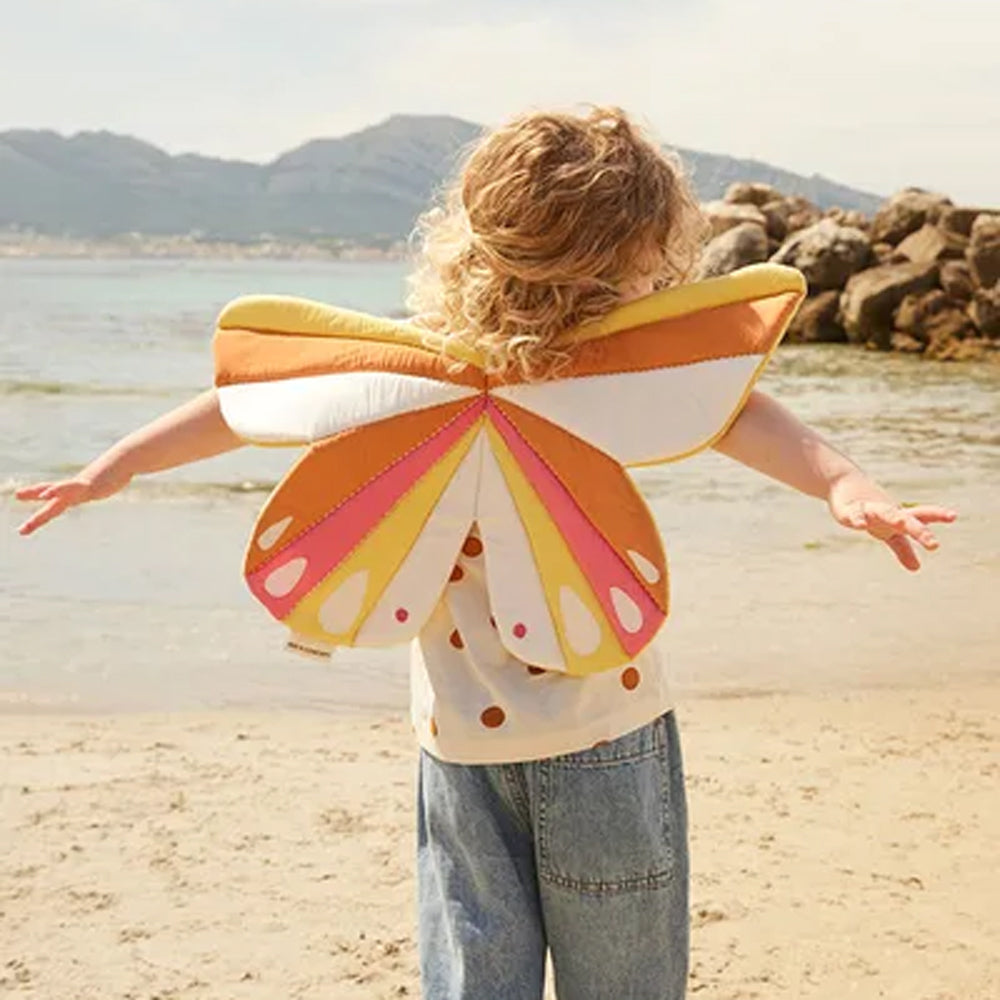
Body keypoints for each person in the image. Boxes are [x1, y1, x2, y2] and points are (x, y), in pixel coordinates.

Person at [16, 107, 956, 1000]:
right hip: (601, 732)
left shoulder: (412, 366)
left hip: (464, 742)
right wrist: (844, 484)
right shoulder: (612, 374)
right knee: (622, 974)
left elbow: (249, 403)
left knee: (473, 969)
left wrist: (116, 466)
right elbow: (733, 412)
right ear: (628, 262)